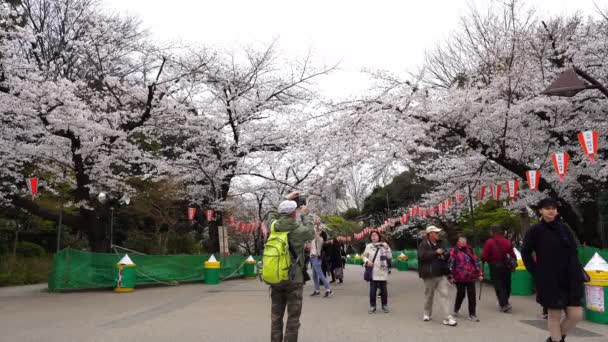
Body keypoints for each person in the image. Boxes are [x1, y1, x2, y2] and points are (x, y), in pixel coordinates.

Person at [521, 198, 584, 342]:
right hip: (549, 279)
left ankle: (555, 339)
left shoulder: (565, 228)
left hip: (570, 277)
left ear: (557, 211)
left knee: (576, 315)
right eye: (547, 208)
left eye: (553, 208)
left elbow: (574, 251)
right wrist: (536, 272)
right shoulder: (535, 230)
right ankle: (557, 340)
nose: (551, 210)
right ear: (540, 211)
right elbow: (525, 253)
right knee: (554, 314)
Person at [267, 192, 315, 342]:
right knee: (293, 318)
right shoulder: (299, 230)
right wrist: (306, 214)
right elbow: (311, 232)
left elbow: (270, 214)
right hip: (294, 279)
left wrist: (286, 199)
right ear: (294, 213)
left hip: (275, 278)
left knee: (276, 317)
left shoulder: (273, 226)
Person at [418, 226, 457, 326]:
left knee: (445, 295)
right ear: (430, 234)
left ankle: (447, 317)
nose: (437, 234)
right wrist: (435, 253)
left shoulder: (440, 243)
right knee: (429, 295)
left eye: (437, 232)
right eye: (436, 232)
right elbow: (422, 256)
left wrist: (445, 255)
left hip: (441, 273)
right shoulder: (423, 244)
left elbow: (445, 256)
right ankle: (427, 313)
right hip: (429, 274)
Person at [481, 224, 516, 312]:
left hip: (495, 266)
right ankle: (505, 301)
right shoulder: (507, 241)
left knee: (499, 285)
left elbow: (484, 255)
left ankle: (504, 304)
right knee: (507, 283)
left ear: (492, 232)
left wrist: (484, 260)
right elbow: (512, 254)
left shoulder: (489, 242)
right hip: (506, 266)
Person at [449, 236, 483, 322]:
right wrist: (451, 276)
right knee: (461, 294)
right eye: (462, 241)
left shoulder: (469, 250)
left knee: (472, 296)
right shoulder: (455, 251)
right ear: (458, 242)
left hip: (470, 277)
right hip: (459, 277)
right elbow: (451, 264)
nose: (463, 243)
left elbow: (476, 262)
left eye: (465, 241)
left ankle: (472, 314)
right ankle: (456, 309)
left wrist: (480, 274)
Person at [361, 231, 392, 313]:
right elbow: (363, 256)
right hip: (373, 270)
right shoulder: (369, 246)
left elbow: (389, 256)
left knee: (384, 290)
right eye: (372, 236)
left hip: (382, 270)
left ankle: (384, 305)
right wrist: (367, 262)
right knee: (373, 290)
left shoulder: (384, 245)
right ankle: (372, 306)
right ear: (370, 237)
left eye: (375, 235)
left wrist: (387, 248)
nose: (374, 237)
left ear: (379, 237)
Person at [309, 221, 332, 297]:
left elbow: (315, 232)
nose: (317, 232)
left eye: (319, 231)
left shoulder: (320, 239)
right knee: (314, 276)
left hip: (316, 258)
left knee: (320, 274)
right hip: (312, 258)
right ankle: (317, 290)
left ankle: (328, 289)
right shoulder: (313, 240)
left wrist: (316, 225)